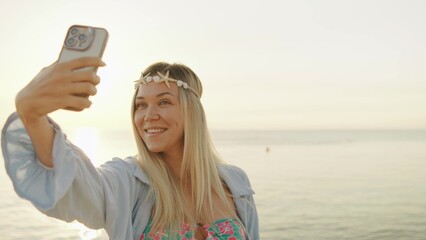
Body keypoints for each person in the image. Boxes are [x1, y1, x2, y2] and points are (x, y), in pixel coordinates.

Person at [1, 57, 259, 240]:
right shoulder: (127, 180)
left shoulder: (234, 183)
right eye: (141, 105)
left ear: (192, 113)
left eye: (164, 102)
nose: (149, 115)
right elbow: (78, 184)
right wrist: (32, 113)